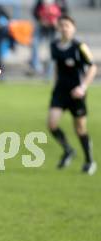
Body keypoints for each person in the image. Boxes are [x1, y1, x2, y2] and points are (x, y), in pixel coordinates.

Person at [47, 15, 97, 175]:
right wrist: (54, 84)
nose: (64, 28)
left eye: (67, 26)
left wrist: (82, 87)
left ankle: (89, 161)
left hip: (76, 93)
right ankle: (68, 150)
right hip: (60, 92)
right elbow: (57, 66)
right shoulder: (54, 45)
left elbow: (92, 68)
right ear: (58, 28)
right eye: (62, 26)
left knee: (80, 129)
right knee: (52, 124)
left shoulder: (79, 47)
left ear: (73, 28)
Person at [28, 0, 67, 76]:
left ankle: (49, 72)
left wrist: (57, 21)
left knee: (52, 49)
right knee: (34, 44)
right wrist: (41, 20)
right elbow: (35, 12)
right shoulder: (40, 2)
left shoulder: (60, 1)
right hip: (41, 27)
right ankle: (36, 66)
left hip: (53, 28)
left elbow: (64, 12)